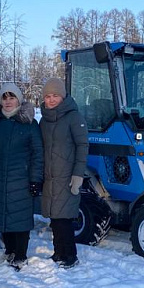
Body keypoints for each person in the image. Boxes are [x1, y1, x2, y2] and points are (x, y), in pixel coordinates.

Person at [0, 83, 43, 271]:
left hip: (21, 178)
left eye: (12, 97)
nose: (8, 102)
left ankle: (20, 254)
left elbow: (37, 153)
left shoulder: (29, 124)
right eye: (5, 98)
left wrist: (35, 179)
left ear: (19, 99)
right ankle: (9, 249)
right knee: (3, 214)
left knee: (21, 216)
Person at [39, 78, 88, 269]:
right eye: (48, 96)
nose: (51, 100)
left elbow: (82, 146)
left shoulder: (74, 117)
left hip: (67, 176)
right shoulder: (44, 120)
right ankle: (58, 252)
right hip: (50, 177)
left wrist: (78, 175)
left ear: (63, 96)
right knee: (54, 218)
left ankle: (69, 255)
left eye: (55, 96)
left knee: (64, 219)